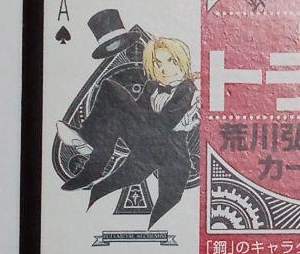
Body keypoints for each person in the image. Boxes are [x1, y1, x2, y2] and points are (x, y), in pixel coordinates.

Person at [57, 35, 200, 228]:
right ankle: (91, 167)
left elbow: (162, 124)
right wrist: (138, 109)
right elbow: (138, 116)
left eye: (171, 61)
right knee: (111, 98)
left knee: (164, 211)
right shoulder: (152, 87)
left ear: (182, 62)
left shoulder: (187, 89)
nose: (165, 69)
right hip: (145, 142)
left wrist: (153, 112)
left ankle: (88, 145)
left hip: (170, 155)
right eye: (158, 64)